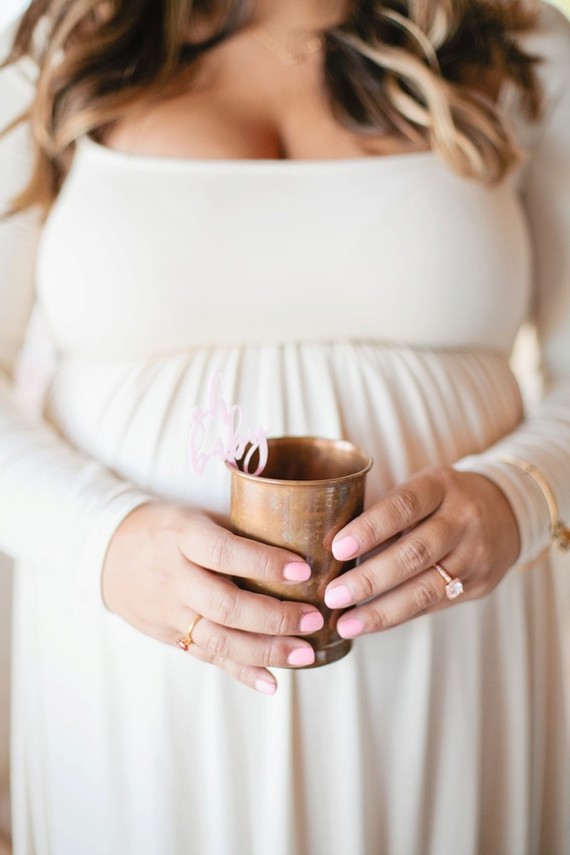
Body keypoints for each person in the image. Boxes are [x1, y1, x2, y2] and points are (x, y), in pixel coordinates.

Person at [1, 0, 569, 853]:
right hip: (131, 683)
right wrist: (99, 540)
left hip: (450, 670)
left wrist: (520, 500)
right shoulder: (56, 42)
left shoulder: (524, 49)